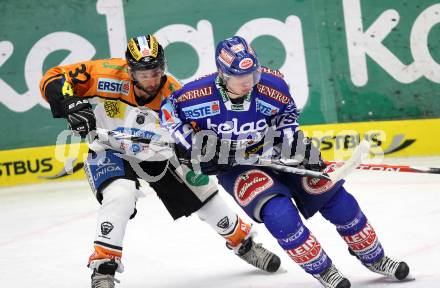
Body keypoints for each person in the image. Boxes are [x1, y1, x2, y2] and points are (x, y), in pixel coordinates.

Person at [160, 35, 411, 288]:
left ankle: (374, 257)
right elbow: (168, 111)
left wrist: (297, 146)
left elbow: (288, 115)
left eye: (253, 75)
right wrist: (193, 145)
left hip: (277, 151)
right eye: (240, 78)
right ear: (223, 75)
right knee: (280, 215)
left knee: (337, 200)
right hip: (234, 166)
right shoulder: (198, 94)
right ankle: (324, 270)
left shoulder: (272, 84)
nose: (249, 82)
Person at [39, 34, 280, 288]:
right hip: (109, 148)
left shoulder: (175, 94)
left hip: (157, 152)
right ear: (129, 70)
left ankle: (244, 244)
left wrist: (200, 146)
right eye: (143, 75)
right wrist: (70, 104)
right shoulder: (104, 73)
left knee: (201, 189)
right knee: (120, 195)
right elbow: (53, 77)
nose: (151, 80)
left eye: (156, 72)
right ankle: (103, 268)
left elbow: (198, 130)